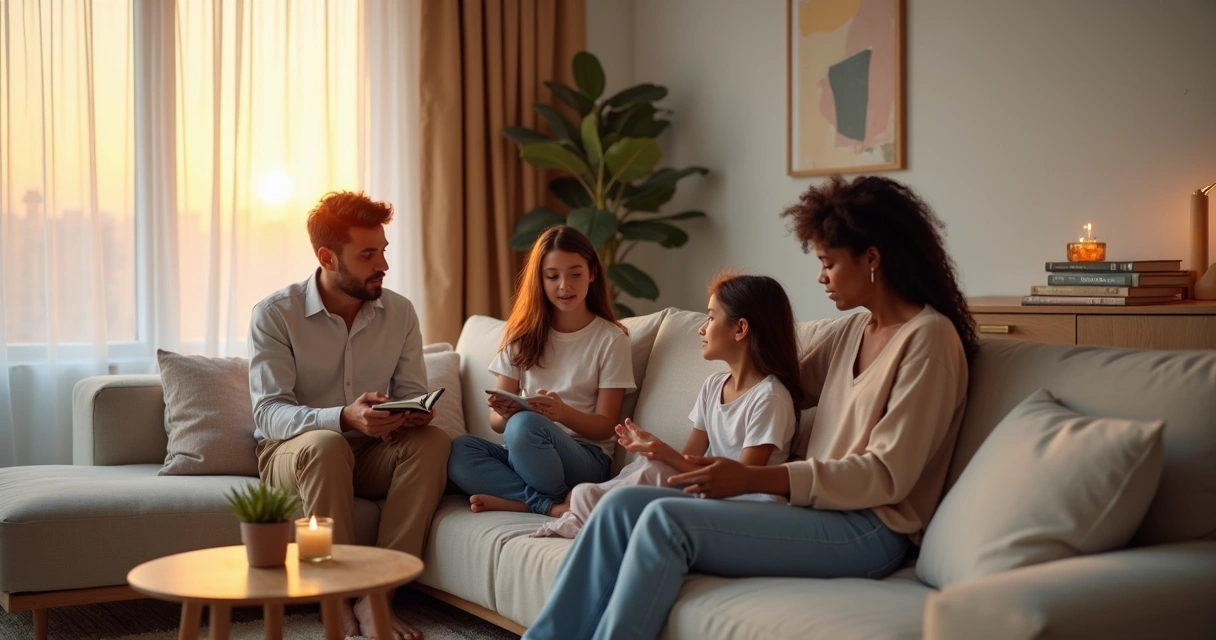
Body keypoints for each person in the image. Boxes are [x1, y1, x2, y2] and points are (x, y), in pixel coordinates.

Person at [522, 175, 979, 640]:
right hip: (812, 511)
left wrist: (752, 476)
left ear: (873, 259)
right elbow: (775, 379)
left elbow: (887, 475)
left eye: (829, 263)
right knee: (621, 506)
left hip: (869, 528)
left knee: (664, 520)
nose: (821, 276)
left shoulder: (929, 340)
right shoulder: (853, 331)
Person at [249, 191, 450, 640]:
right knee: (326, 443)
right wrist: (342, 417)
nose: (383, 264)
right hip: (295, 456)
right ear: (327, 257)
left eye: (383, 251)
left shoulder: (400, 312)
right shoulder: (275, 314)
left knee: (433, 442)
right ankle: (334, 597)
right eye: (367, 254)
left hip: (372, 452)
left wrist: (411, 415)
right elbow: (268, 413)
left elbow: (413, 393)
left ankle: (376, 596)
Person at [533, 273, 803, 538]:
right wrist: (654, 449)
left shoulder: (769, 398)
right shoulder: (713, 386)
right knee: (650, 465)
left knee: (657, 468)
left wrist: (663, 452)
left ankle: (586, 506)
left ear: (740, 328)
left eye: (710, 317)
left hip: (745, 505)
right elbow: (687, 462)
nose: (702, 328)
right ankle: (589, 507)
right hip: (708, 492)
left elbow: (744, 479)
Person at [446, 226, 635, 516]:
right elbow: (496, 423)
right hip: (525, 453)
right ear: (540, 279)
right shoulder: (519, 335)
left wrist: (561, 413)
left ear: (592, 273)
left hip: (585, 458)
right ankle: (549, 505)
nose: (564, 286)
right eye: (552, 276)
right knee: (459, 450)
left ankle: (544, 499)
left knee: (525, 425)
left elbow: (605, 426)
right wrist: (504, 411)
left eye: (575, 274)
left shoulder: (611, 339)